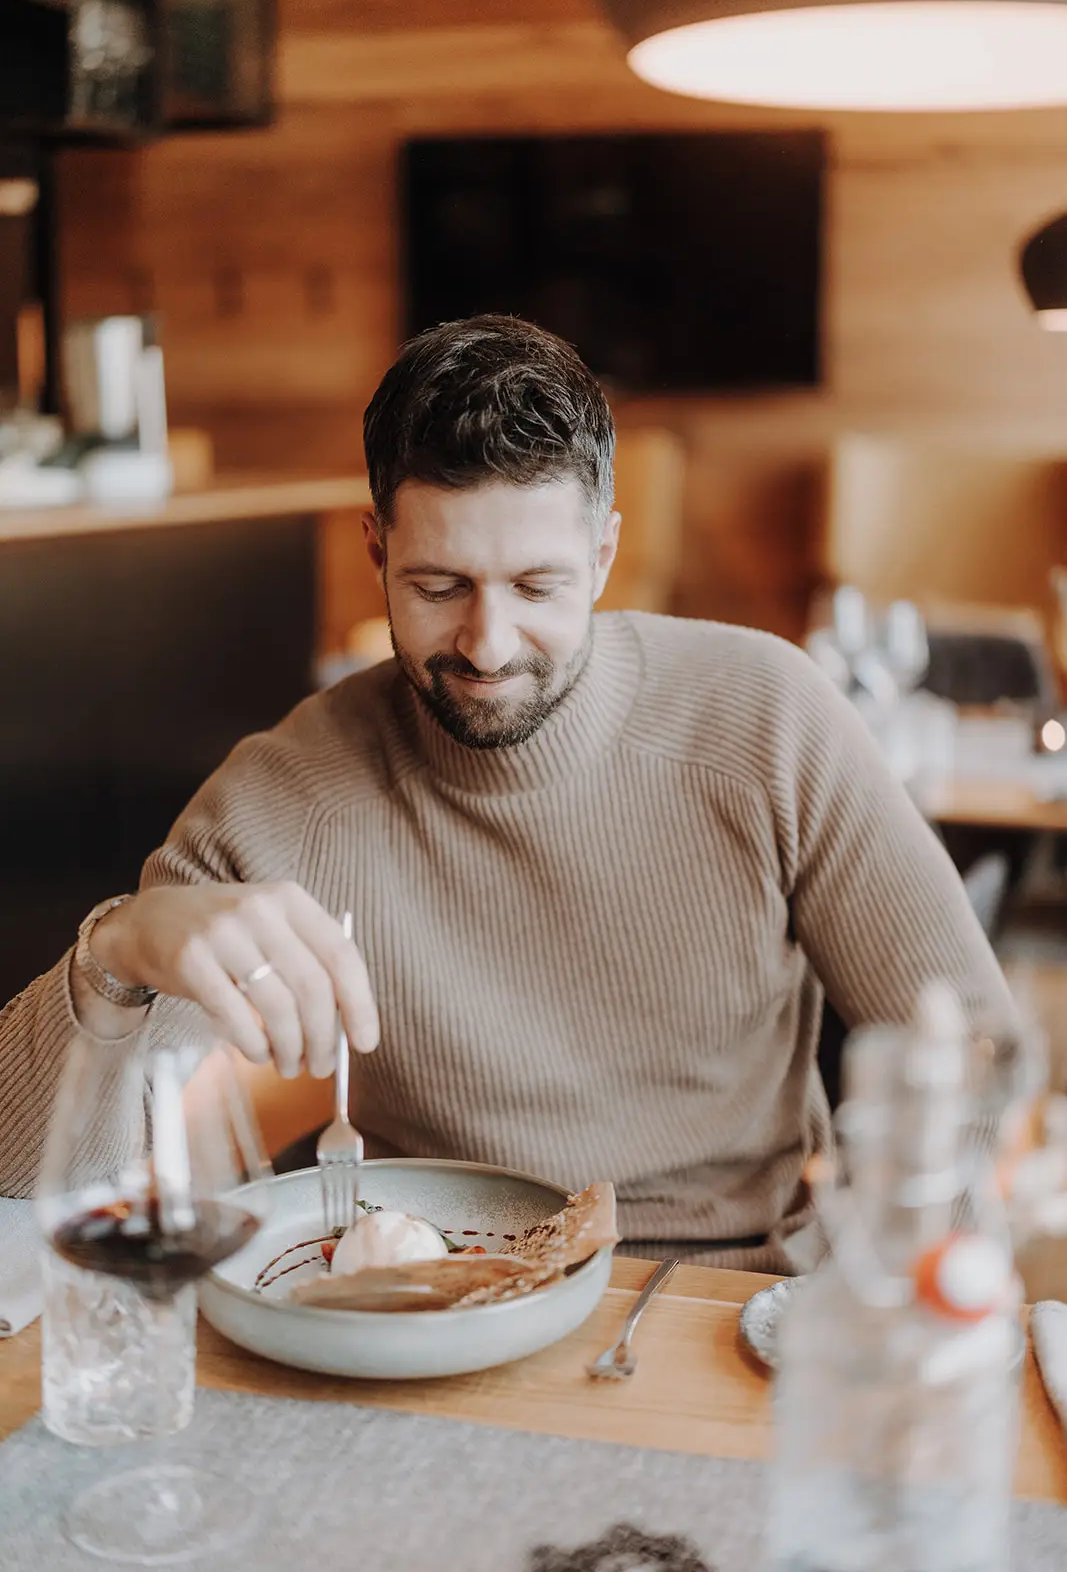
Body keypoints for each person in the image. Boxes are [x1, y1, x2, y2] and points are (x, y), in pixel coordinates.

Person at [0, 315, 1015, 1271]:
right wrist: (115, 955)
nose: (486, 646)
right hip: (420, 1297)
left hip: (720, 1288)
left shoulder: (767, 717)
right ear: (376, 550)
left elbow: (969, 1053)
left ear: (603, 554)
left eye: (536, 586)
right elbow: (22, 1185)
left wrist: (872, 1298)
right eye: (438, 586)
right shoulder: (289, 789)